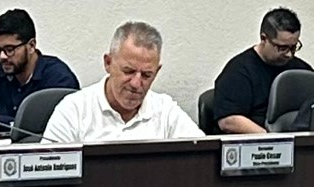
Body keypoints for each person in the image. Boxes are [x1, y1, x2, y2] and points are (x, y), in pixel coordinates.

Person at [41, 21, 203, 145]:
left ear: (157, 72)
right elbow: (48, 168)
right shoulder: (74, 109)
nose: (136, 83)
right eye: (128, 71)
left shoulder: (166, 111)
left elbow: (202, 160)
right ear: (108, 63)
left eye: (146, 75)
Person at [0, 8, 76, 135]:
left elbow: (51, 128)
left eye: (10, 49)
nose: (2, 56)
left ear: (31, 46)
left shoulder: (58, 78)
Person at [211, 8, 313, 135]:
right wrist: (272, 139)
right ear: (264, 38)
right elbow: (228, 121)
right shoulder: (238, 71)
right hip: (255, 142)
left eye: (293, 47)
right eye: (282, 48)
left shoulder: (301, 70)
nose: (289, 54)